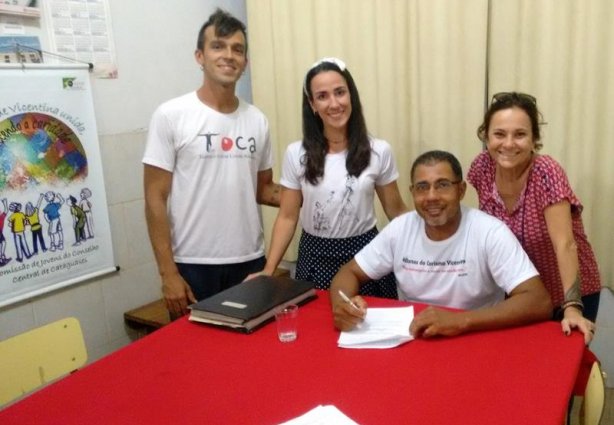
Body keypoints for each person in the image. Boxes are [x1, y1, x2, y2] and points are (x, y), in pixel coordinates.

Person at [143, 9, 280, 317]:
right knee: (195, 360)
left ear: (245, 62)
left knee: (249, 356)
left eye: (238, 49)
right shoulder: (171, 115)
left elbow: (265, 190)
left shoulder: (257, 120)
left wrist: (313, 192)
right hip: (192, 265)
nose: (229, 55)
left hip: (249, 261)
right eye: (218, 46)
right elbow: (155, 198)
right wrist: (168, 274)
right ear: (200, 56)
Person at [330, 150, 553, 337]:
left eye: (443, 185)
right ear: (412, 193)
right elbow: (349, 272)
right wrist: (342, 306)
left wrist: (460, 321)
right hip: (415, 337)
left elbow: (538, 300)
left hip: (476, 336)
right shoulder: (401, 228)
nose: (431, 196)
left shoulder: (489, 232)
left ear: (461, 190)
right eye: (422, 187)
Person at [252, 58, 407, 298]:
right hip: (315, 256)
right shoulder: (297, 153)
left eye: (340, 92)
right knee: (317, 330)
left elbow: (396, 211)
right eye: (322, 96)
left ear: (351, 96)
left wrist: (431, 247)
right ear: (312, 104)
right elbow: (287, 216)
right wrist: (269, 269)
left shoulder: (379, 150)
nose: (334, 103)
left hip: (365, 257)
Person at [467, 92, 601, 344]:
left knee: (562, 366)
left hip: (566, 289)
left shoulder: (546, 172)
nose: (508, 143)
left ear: (534, 139)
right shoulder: (481, 168)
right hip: (521, 291)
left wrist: (572, 306)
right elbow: (488, 232)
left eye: (519, 134)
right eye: (499, 134)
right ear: (486, 136)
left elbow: (565, 244)